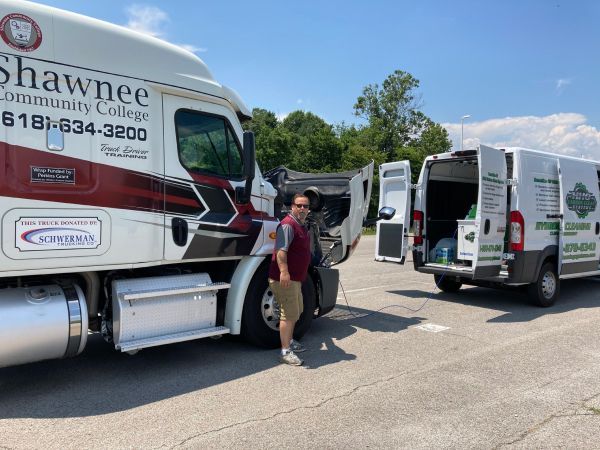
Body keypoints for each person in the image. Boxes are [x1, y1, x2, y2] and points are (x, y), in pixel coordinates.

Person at [268, 193, 311, 366]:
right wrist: (284, 272)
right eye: (299, 205)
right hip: (286, 279)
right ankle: (285, 351)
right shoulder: (287, 225)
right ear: (292, 206)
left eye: (305, 206)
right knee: (288, 314)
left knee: (295, 312)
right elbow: (281, 251)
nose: (302, 209)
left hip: (295, 279)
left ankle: (290, 341)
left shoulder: (301, 225)